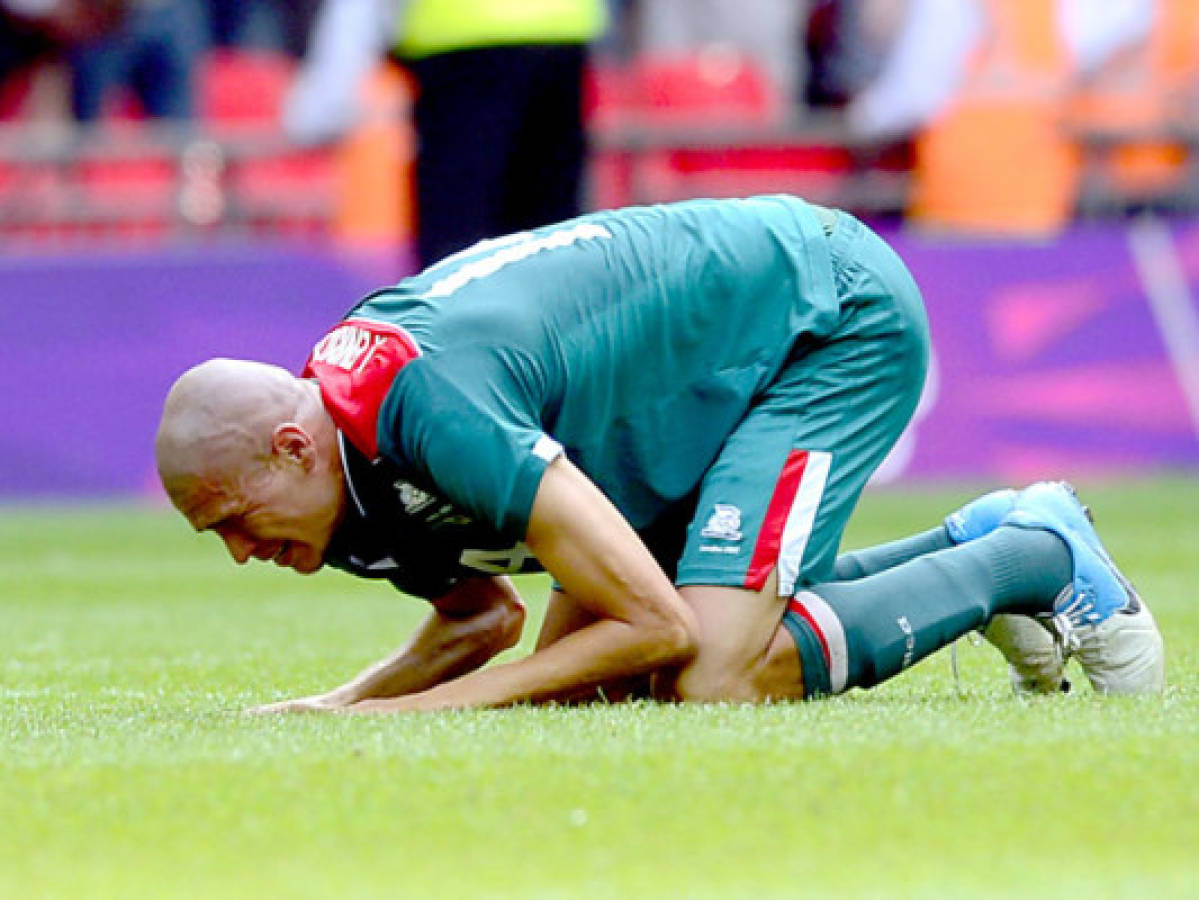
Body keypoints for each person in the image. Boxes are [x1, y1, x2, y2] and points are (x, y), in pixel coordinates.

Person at [155, 195, 1165, 711]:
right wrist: (331, 709)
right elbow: (481, 619)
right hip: (691, 392)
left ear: (291, 447)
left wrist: (418, 720)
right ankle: (974, 537)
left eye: (233, 522)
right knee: (586, 687)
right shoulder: (343, 472)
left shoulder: (423, 403)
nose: (242, 553)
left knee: (710, 673)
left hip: (814, 322)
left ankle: (1028, 553)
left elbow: (653, 624)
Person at [283, 0, 607, 269]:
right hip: (563, 33)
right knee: (547, 244)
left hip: (460, 46)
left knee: (456, 250)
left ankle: (457, 345)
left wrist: (328, 90)